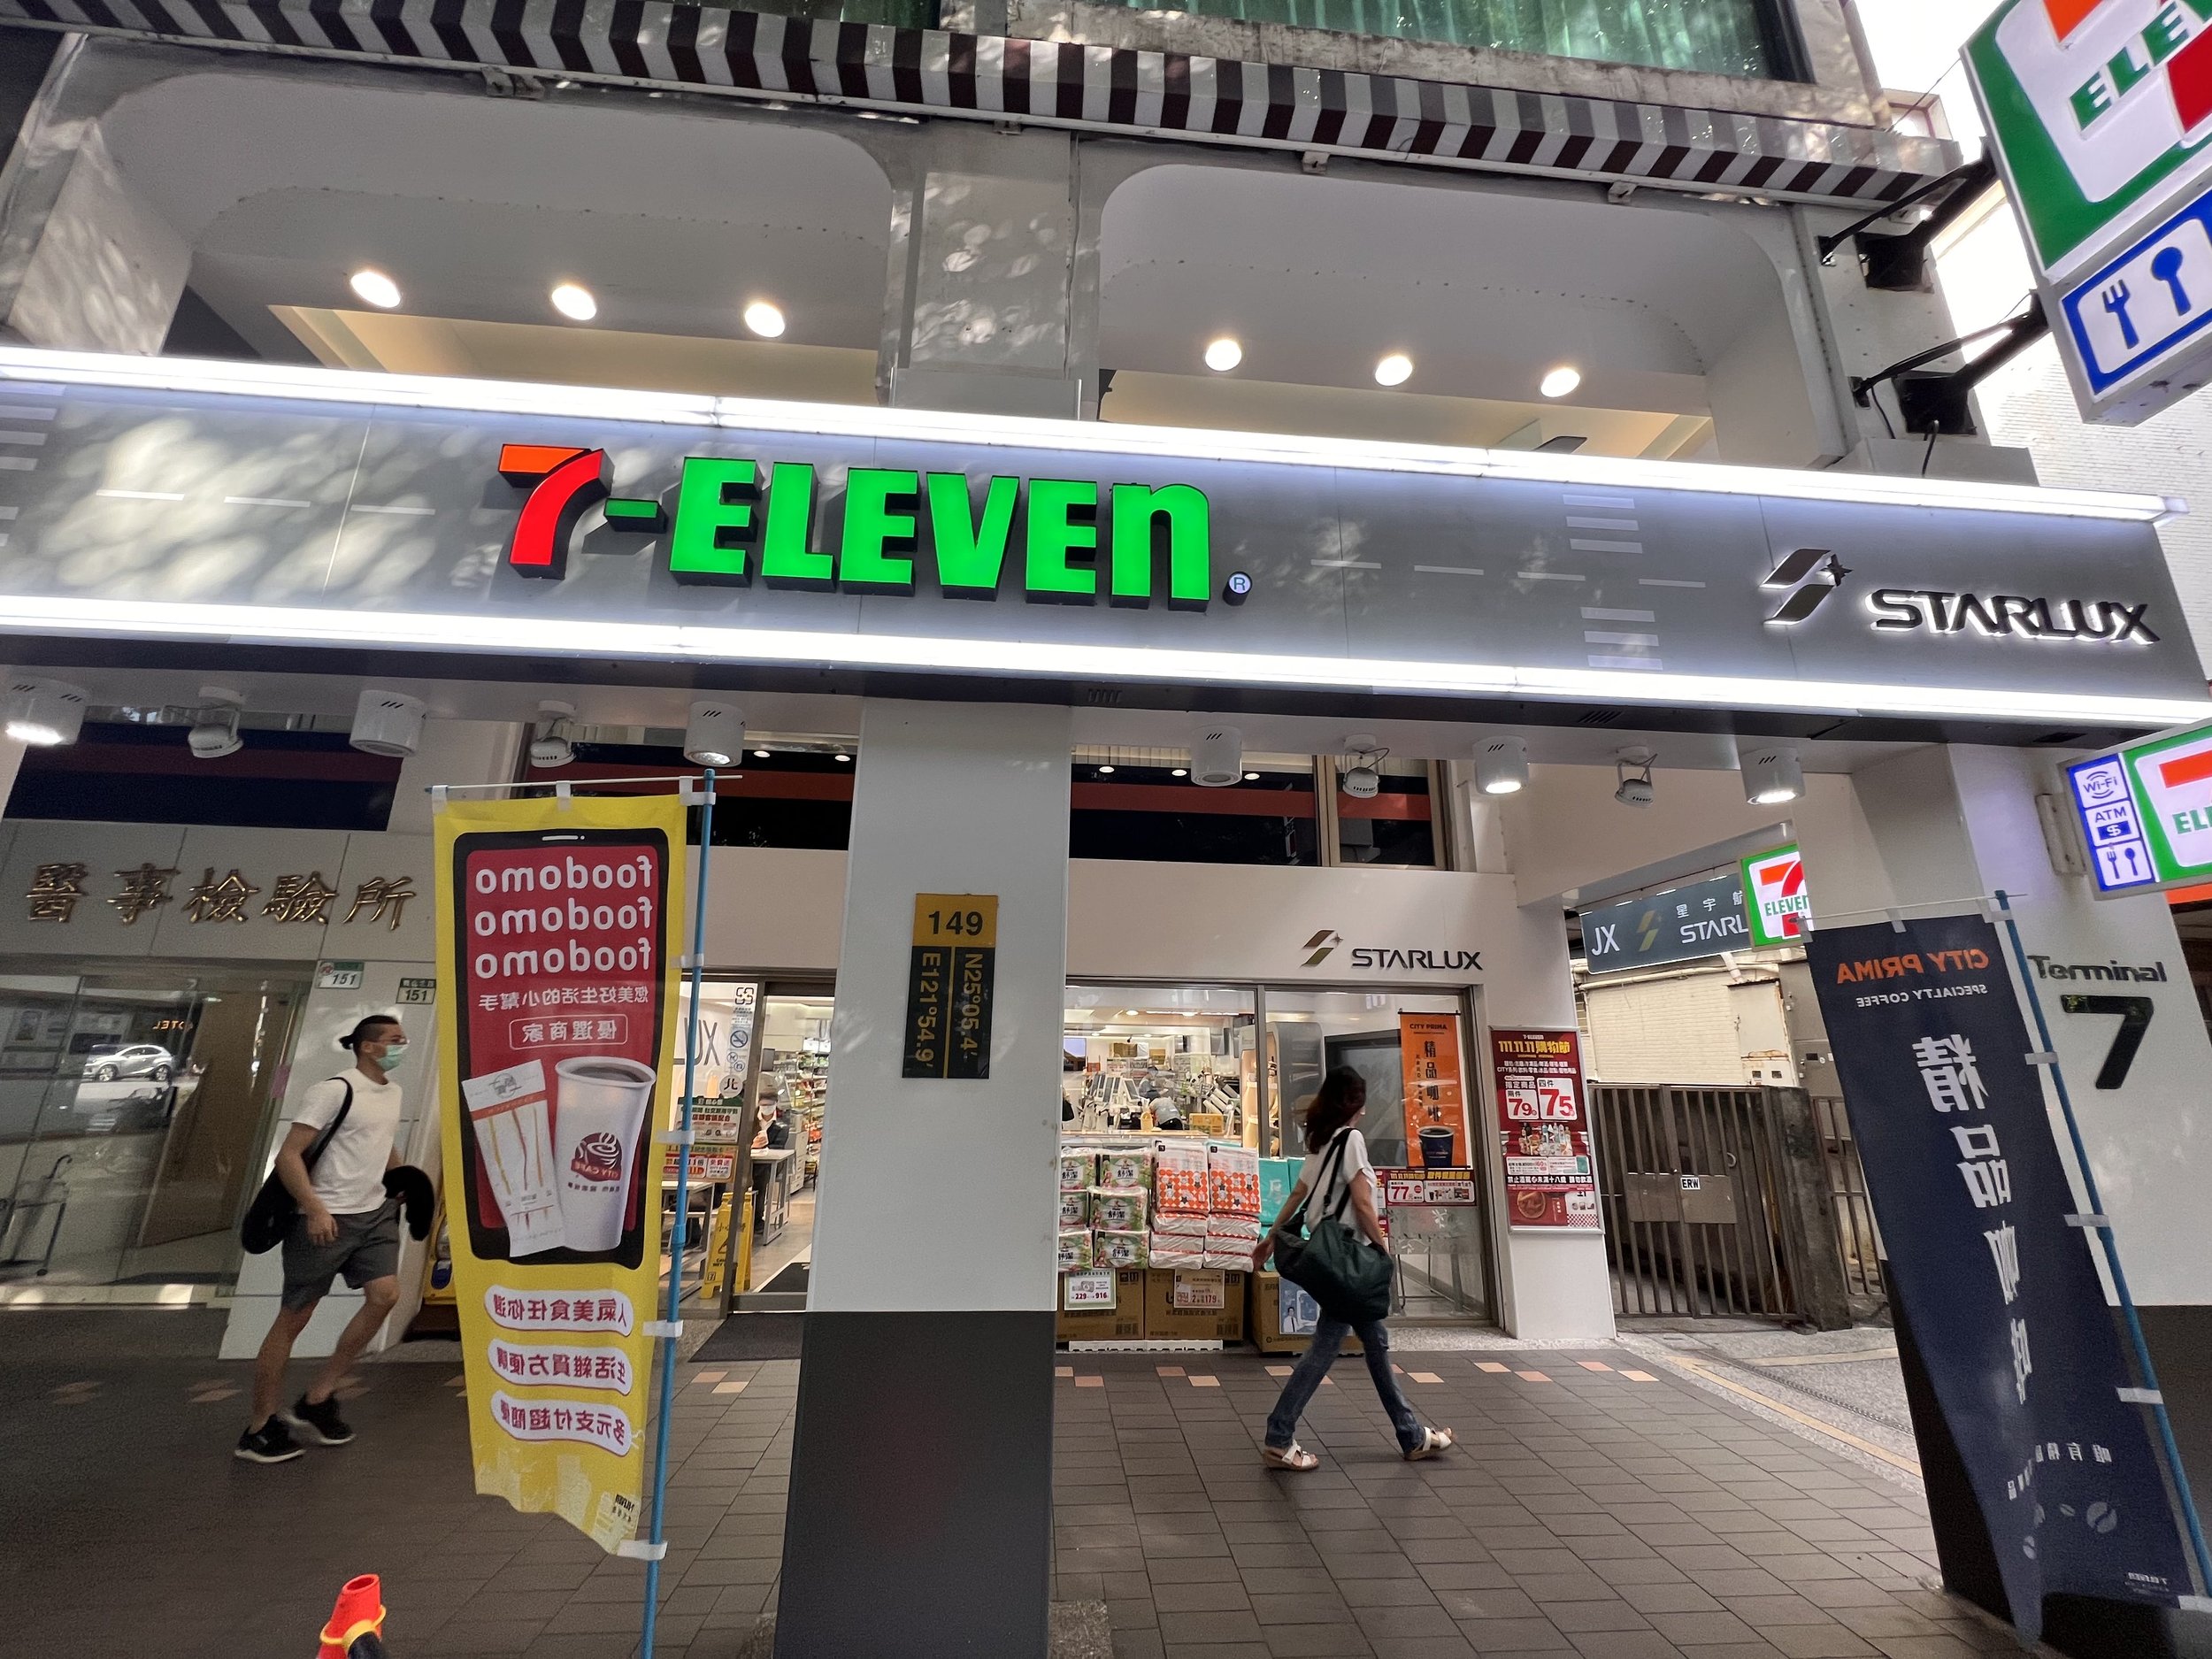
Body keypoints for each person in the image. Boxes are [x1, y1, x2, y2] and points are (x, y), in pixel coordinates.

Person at [1252, 1067, 1454, 1470]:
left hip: (1330, 1258)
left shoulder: (1319, 1140)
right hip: (1351, 1260)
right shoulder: (1351, 1139)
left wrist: (1272, 1237)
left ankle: (1411, 1434)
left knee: (1373, 1344)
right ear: (1356, 1105)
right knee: (1330, 1349)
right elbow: (1362, 1203)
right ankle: (1279, 1435)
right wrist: (1382, 1249)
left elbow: (1297, 1194)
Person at [236, 1015, 411, 1464]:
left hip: (375, 1215)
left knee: (385, 1296)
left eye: (403, 1039)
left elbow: (380, 1143)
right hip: (325, 1219)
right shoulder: (334, 1090)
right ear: (367, 1046)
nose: (401, 1045)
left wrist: (402, 1179)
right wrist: (314, 1207)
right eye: (394, 1040)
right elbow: (290, 1155)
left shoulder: (392, 1092)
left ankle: (318, 1397)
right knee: (295, 1317)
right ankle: (259, 1428)